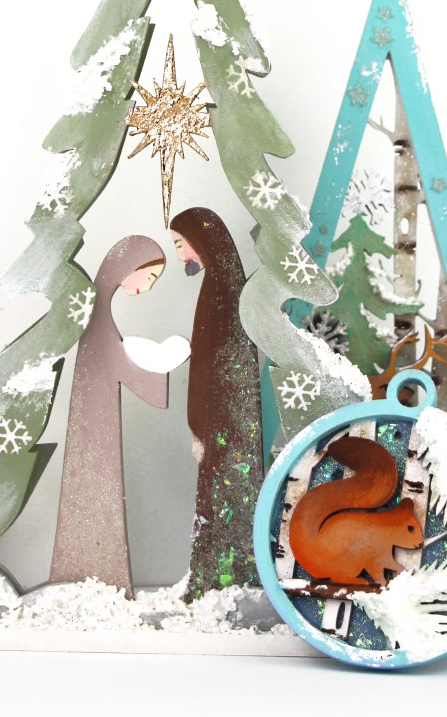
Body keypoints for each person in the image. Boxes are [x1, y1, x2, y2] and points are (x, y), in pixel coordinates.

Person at [50, 235, 180, 598]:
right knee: (93, 485)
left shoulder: (101, 321)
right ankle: (88, 572)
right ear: (127, 268)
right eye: (149, 277)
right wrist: (163, 362)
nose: (147, 288)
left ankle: (95, 572)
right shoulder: (99, 324)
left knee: (97, 485)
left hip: (99, 416)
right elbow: (121, 368)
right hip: (94, 424)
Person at [170, 208, 264, 600]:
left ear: (202, 240)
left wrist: (197, 426)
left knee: (222, 495)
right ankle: (231, 574)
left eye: (181, 244)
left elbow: (205, 367)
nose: (180, 255)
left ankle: (220, 578)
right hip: (235, 421)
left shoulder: (217, 290)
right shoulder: (229, 284)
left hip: (221, 422)